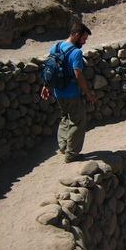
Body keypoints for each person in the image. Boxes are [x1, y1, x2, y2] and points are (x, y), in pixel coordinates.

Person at [41, 23, 97, 162]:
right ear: (76, 35)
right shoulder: (76, 53)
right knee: (78, 121)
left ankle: (63, 146)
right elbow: (78, 74)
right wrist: (88, 94)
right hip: (71, 93)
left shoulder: (57, 46)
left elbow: (50, 68)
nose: (84, 42)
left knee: (65, 118)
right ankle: (72, 154)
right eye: (83, 38)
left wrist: (46, 86)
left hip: (58, 92)